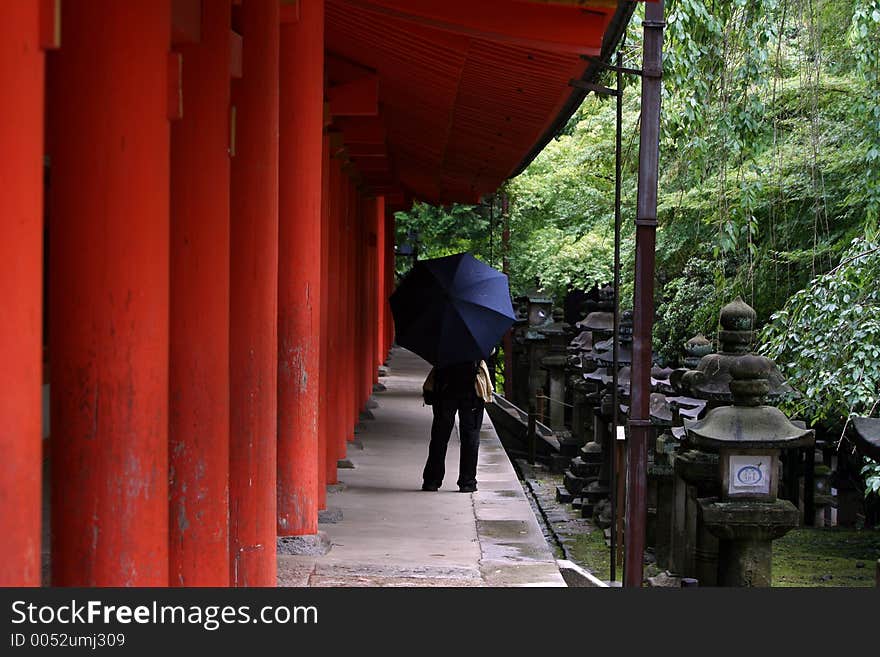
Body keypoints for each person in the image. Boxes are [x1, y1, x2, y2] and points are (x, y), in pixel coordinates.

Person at [421, 360, 484, 493]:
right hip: (470, 389)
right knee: (470, 437)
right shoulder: (477, 343)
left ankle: (431, 481)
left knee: (439, 436)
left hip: (444, 387)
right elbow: (489, 352)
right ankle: (467, 482)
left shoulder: (442, 342)